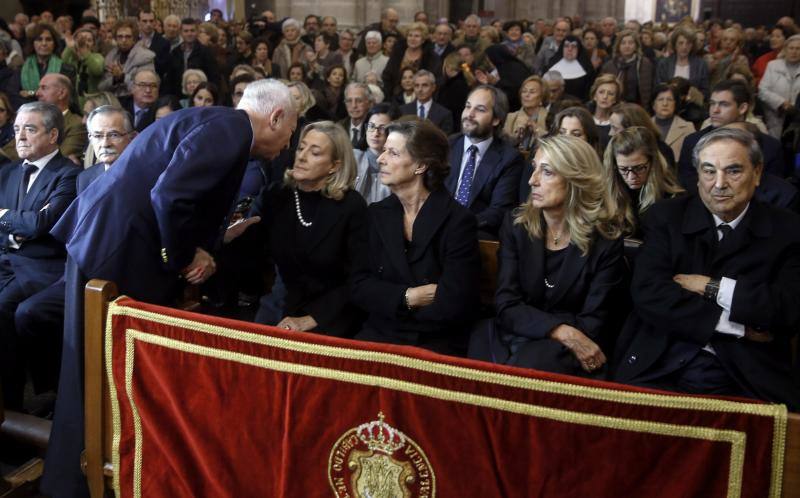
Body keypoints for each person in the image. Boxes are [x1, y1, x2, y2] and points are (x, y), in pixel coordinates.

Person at [42, 78, 298, 498]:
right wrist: (184, 258)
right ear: (275, 117)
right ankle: (86, 481)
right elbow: (171, 195)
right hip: (114, 251)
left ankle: (101, 474)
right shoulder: (231, 130)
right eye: (291, 132)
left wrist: (204, 245)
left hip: (110, 244)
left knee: (99, 369)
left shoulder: (220, 123)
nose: (288, 143)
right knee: (97, 369)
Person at [613, 127, 800, 410]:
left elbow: (786, 308)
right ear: (697, 174)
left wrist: (710, 286)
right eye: (709, 171)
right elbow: (649, 293)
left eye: (733, 171)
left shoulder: (788, 229)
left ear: (758, 172)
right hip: (663, 357)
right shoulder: (666, 217)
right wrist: (736, 325)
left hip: (748, 370)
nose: (719, 183)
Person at [468, 134, 627, 377]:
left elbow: (593, 323)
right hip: (519, 333)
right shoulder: (517, 225)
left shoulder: (605, 241)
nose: (532, 180)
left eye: (547, 172)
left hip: (569, 349)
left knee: (530, 367)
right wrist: (561, 329)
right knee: (477, 355)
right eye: (534, 169)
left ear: (576, 180)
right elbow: (507, 304)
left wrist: (558, 332)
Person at [10, 105, 135, 414]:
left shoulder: (145, 175)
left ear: (131, 138)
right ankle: (58, 391)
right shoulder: (87, 176)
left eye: (113, 135)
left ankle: (84, 401)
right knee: (30, 313)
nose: (104, 142)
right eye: (97, 135)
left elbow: (43, 225)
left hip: (126, 274)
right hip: (79, 270)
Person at [227, 120, 367, 337]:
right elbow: (248, 254)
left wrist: (311, 319)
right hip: (282, 302)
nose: (301, 156)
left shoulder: (352, 206)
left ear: (335, 166)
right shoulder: (276, 195)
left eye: (315, 152)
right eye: (301, 148)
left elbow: (359, 278)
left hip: (333, 311)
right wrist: (227, 237)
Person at [352, 119, 480, 356]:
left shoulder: (458, 221)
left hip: (436, 339)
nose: (381, 159)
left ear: (420, 165)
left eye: (392, 153)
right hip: (381, 332)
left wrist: (388, 300)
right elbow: (360, 286)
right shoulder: (376, 214)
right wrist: (407, 297)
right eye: (383, 152)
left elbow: (455, 301)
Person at [0, 102, 79, 411]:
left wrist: (6, 217)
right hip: (7, 258)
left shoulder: (69, 175)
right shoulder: (6, 172)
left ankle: (12, 408)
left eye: (30, 129)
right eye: (17, 129)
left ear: (53, 134)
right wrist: (17, 224)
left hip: (41, 266)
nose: (20, 136)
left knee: (3, 311)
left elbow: (44, 224)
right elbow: (30, 224)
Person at [446, 85, 524, 237]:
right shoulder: (446, 146)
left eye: (480, 109)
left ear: (496, 119)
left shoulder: (510, 159)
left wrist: (458, 226)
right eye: (468, 107)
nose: (470, 114)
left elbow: (499, 211)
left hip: (476, 235)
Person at [678, 79, 787, 185]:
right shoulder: (692, 142)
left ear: (742, 108)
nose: (715, 110)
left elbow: (774, 189)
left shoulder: (770, 147)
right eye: (712, 104)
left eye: (724, 104)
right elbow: (686, 184)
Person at [604, 126, 684, 237]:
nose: (631, 177)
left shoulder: (672, 199)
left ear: (653, 163)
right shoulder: (607, 194)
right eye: (623, 169)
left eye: (639, 168)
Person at [35, 73, 88, 164]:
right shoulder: (33, 120)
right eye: (39, 88)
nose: (37, 93)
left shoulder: (77, 124)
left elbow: (58, 158)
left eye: (44, 88)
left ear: (62, 93)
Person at [354, 102, 399, 204]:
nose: (375, 133)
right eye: (371, 126)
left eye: (382, 128)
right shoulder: (353, 158)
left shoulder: (398, 163)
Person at [97, 20, 155, 99]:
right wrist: (114, 79)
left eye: (128, 36)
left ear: (134, 39)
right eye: (120, 36)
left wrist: (122, 77)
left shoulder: (145, 58)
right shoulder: (110, 57)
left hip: (134, 103)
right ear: (116, 39)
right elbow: (101, 87)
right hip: (113, 103)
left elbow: (145, 89)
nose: (124, 40)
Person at [382, 22, 439, 100]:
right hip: (397, 97)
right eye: (410, 35)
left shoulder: (431, 57)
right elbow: (387, 75)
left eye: (417, 36)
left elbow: (435, 80)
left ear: (423, 40)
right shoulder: (397, 53)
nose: (413, 39)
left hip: (422, 97)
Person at [163, 18, 219, 97]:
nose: (189, 34)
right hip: (179, 96)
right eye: (186, 31)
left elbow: (213, 77)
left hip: (200, 96)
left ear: (197, 32)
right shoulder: (175, 53)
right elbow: (170, 79)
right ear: (181, 33)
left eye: (192, 30)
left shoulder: (206, 52)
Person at [608, 102, 676, 167]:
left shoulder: (661, 152)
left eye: (615, 128)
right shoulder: (613, 148)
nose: (610, 133)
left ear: (631, 129)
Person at [758, 34, 800, 139]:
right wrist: (781, 103)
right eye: (791, 48)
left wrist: (794, 107)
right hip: (775, 116)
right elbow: (763, 90)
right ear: (785, 50)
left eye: (798, 49)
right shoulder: (772, 65)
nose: (794, 51)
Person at [600, 30, 654, 106]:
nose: (627, 46)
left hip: (638, 106)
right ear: (618, 46)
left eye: (631, 43)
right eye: (623, 43)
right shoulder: (609, 65)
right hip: (614, 106)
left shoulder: (644, 63)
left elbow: (648, 89)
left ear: (636, 46)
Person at [655, 26, 710, 99]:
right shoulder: (664, 63)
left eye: (688, 43)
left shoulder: (701, 65)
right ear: (675, 44)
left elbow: (705, 91)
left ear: (692, 45)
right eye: (681, 43)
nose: (684, 47)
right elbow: (659, 87)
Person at [60, 26, 104, 107]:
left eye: (89, 40)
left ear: (94, 44)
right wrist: (69, 47)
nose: (85, 43)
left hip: (93, 103)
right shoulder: (74, 59)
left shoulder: (97, 57)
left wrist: (85, 53)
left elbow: (97, 70)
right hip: (76, 102)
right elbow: (63, 62)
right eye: (81, 40)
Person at [399, 69, 454, 134]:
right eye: (417, 85)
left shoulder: (444, 114)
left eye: (424, 85)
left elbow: (445, 140)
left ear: (433, 87)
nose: (420, 89)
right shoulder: (403, 110)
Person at [18, 24, 63, 101]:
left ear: (54, 43)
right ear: (33, 43)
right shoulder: (20, 68)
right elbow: (16, 95)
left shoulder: (66, 68)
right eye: (39, 39)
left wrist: (31, 93)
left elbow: (63, 95)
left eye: (48, 39)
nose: (44, 43)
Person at [503, 75, 549, 149]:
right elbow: (504, 145)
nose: (526, 95)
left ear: (542, 97)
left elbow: (551, 143)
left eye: (532, 92)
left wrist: (534, 127)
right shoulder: (511, 117)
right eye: (524, 91)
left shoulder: (550, 117)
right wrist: (517, 135)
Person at [651, 83, 695, 160]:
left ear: (675, 104)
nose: (665, 104)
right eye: (660, 99)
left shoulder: (688, 128)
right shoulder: (644, 125)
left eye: (669, 100)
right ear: (653, 104)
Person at [545, 34, 595, 101]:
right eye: (566, 46)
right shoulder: (551, 65)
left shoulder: (587, 68)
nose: (570, 49)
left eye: (574, 46)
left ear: (579, 49)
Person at [588, 73, 620, 149]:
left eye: (610, 94)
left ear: (615, 99)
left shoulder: (618, 124)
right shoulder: (584, 118)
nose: (605, 97)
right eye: (601, 92)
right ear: (594, 96)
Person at [123, 68, 160, 132]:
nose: (148, 90)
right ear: (132, 88)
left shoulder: (162, 111)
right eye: (142, 85)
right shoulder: (121, 106)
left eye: (153, 86)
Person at [339, 82, 373, 150]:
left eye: (359, 101)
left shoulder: (375, 129)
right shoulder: (338, 128)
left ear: (369, 103)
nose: (353, 105)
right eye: (349, 101)